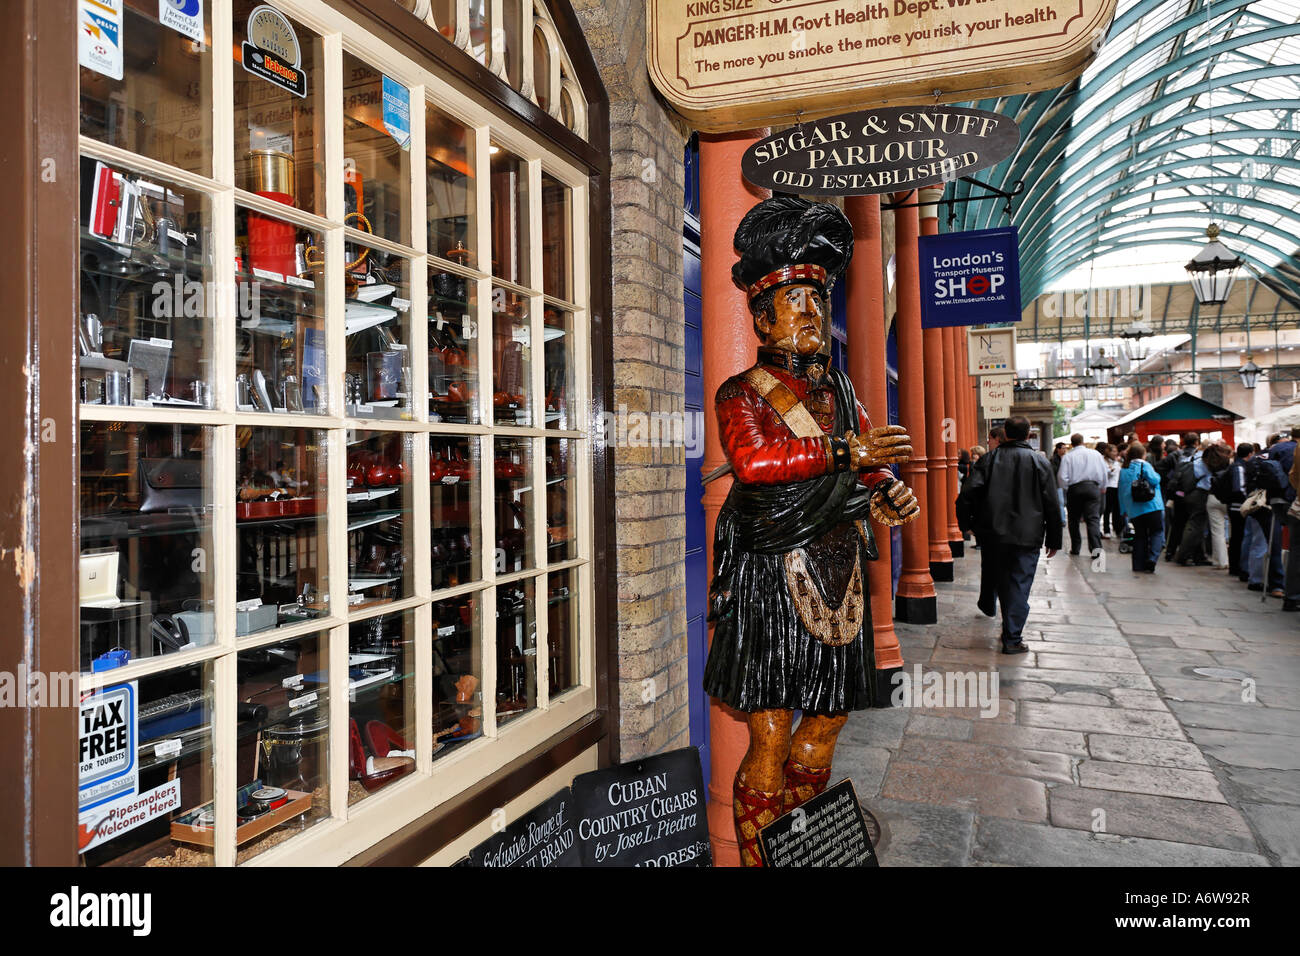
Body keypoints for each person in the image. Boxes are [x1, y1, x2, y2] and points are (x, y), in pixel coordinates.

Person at [702, 197, 921, 867]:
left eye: (819, 306)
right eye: (799, 307)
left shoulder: (843, 390)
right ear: (763, 318)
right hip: (772, 574)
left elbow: (865, 466)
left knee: (825, 726)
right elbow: (754, 464)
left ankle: (802, 847)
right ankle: (762, 859)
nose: (814, 318)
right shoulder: (743, 392)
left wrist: (889, 491)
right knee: (769, 736)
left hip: (839, 571)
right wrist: (846, 457)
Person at [962, 415, 1062, 653]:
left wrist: (968, 523)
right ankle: (1012, 637)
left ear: (1005, 433)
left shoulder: (988, 460)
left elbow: (966, 495)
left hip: (994, 534)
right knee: (1019, 582)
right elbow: (1052, 503)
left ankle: (1008, 628)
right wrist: (1054, 538)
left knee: (1003, 579)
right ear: (1028, 435)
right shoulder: (1040, 463)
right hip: (1028, 535)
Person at [1057, 433, 1107, 557]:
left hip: (1075, 489)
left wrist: (1068, 488)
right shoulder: (1096, 454)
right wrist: (1102, 486)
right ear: (1083, 441)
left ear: (1072, 443)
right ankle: (1096, 549)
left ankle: (1076, 548)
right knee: (1093, 519)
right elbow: (1104, 472)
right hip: (1092, 487)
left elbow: (1061, 477)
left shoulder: (1068, 457)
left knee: (1073, 519)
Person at [1118, 443, 1165, 573]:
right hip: (1152, 506)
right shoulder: (1145, 465)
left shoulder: (1123, 470)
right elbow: (1155, 480)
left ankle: (1138, 565)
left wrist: (1124, 511)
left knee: (1140, 536)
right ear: (1143, 454)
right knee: (1157, 532)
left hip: (1134, 510)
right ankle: (1152, 558)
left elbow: (1121, 492)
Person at [1174, 434, 1213, 566]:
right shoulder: (1206, 459)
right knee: (1195, 525)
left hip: (1189, 492)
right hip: (1200, 493)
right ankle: (1183, 555)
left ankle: (1199, 556)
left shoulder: (1191, 457)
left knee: (1197, 525)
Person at [1202, 442, 1232, 569]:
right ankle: (1231, 559)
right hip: (1228, 497)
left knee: (1217, 532)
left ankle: (1220, 561)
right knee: (1232, 530)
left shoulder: (1208, 463)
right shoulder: (1228, 462)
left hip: (1213, 497)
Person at [1101, 442, 1124, 539]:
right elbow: (1108, 474)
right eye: (1113, 451)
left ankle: (1118, 529)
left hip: (1117, 487)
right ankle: (1106, 530)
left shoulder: (1117, 462)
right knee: (1107, 510)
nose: (1116, 453)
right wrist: (1112, 469)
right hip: (1109, 487)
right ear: (1108, 452)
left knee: (1117, 510)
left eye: (1116, 451)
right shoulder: (1104, 461)